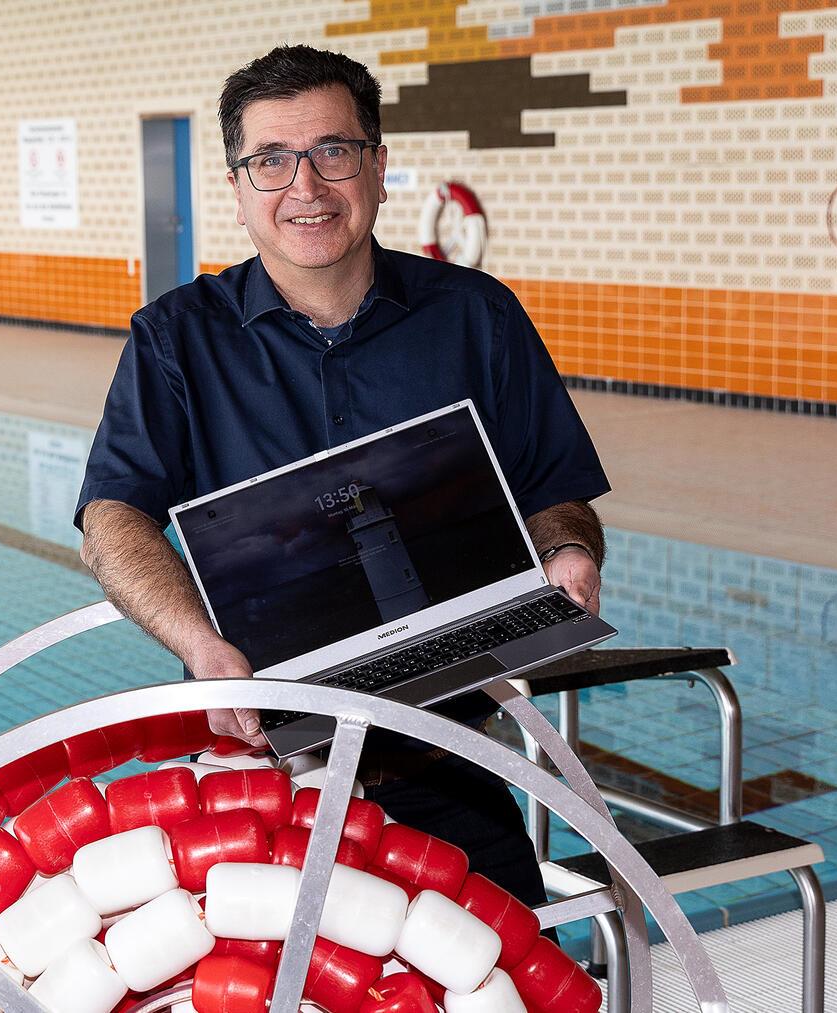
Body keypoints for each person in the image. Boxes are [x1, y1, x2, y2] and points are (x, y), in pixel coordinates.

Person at [74, 45, 609, 910]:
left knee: (508, 976)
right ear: (238, 186)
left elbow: (554, 489)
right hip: (261, 770)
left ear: (379, 166)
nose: (307, 187)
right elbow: (113, 516)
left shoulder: (476, 316)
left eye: (334, 151)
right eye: (271, 161)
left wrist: (570, 551)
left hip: (443, 749)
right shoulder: (175, 340)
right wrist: (200, 646)